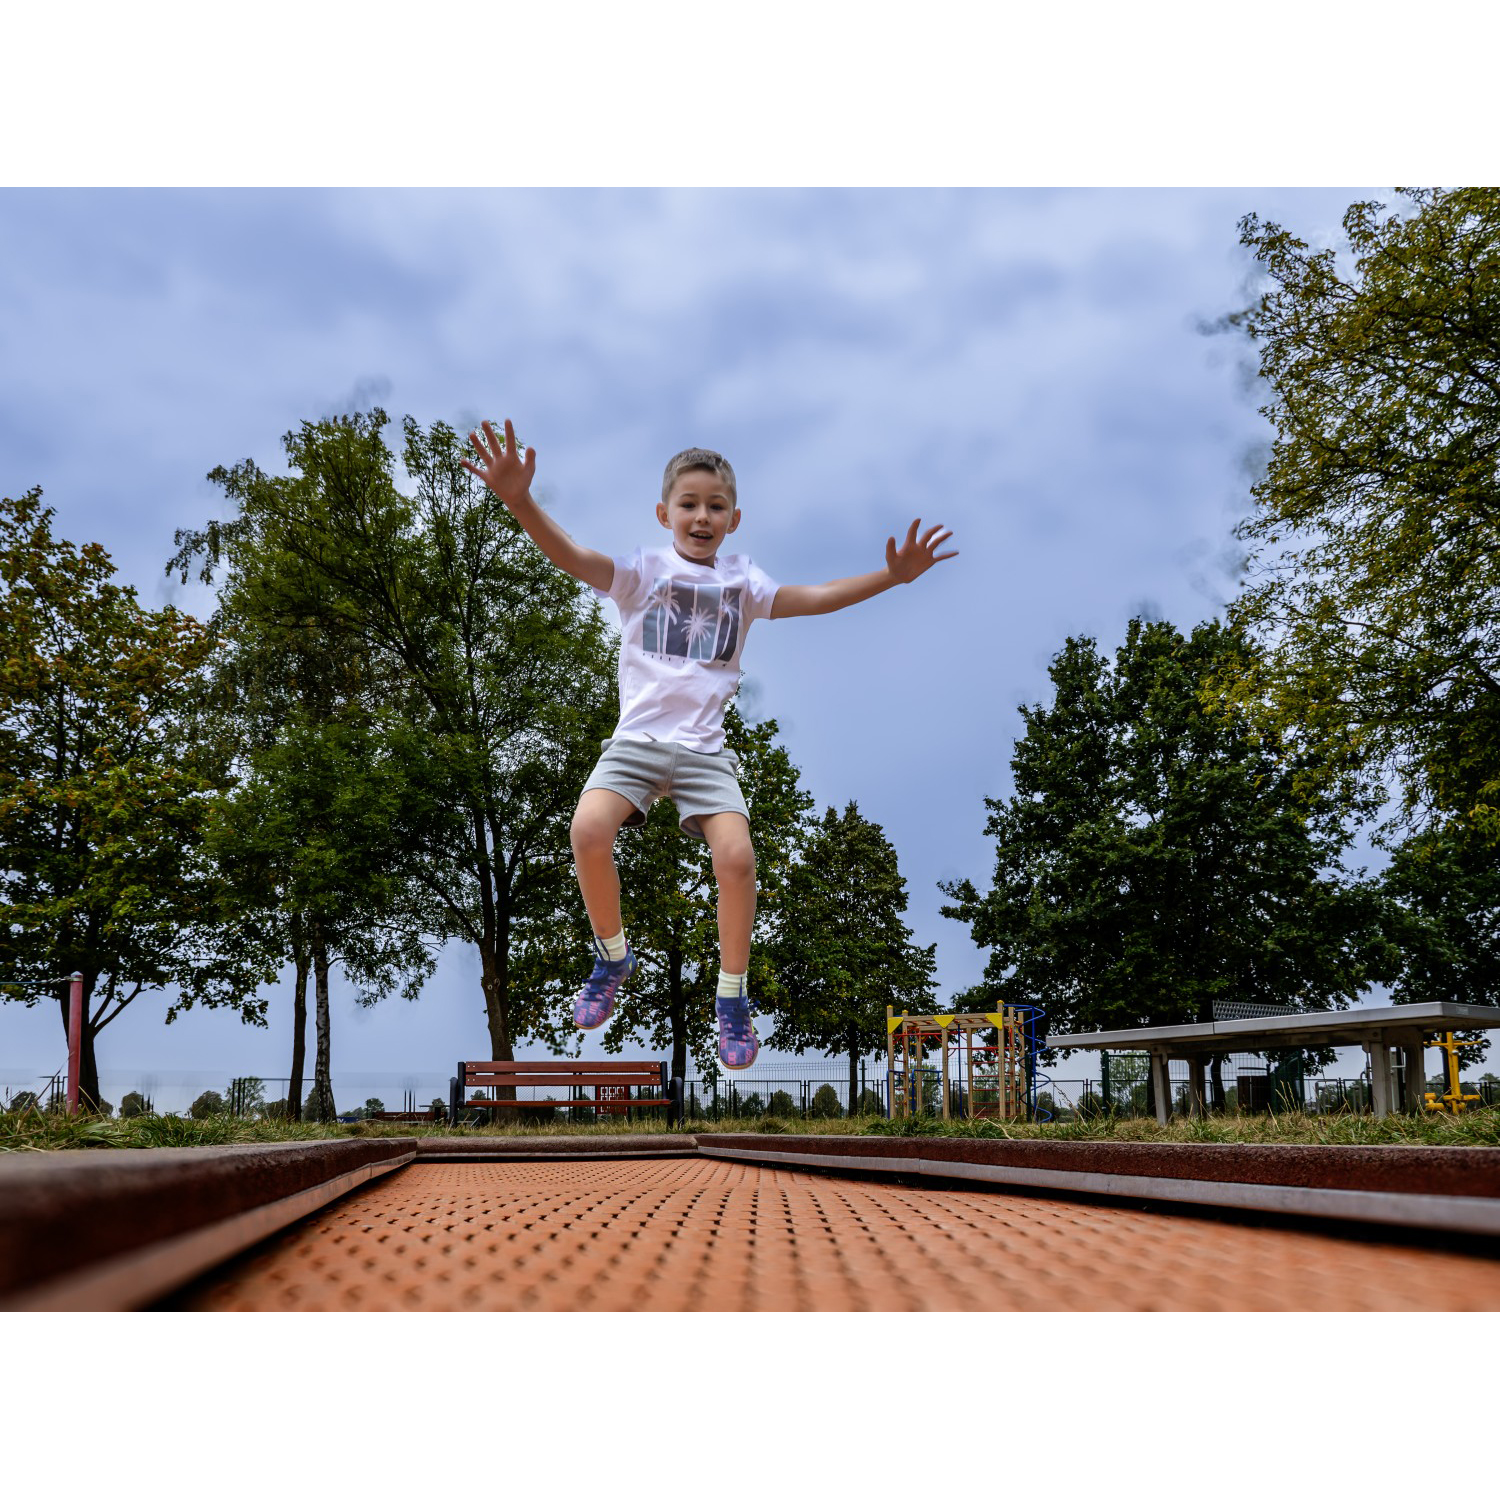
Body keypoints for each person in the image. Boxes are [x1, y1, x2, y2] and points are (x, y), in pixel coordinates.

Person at [461, 419, 956, 1070]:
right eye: (689, 504)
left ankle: (731, 997)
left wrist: (890, 577)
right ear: (663, 513)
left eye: (716, 506)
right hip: (637, 742)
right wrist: (521, 501)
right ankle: (612, 957)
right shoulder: (642, 571)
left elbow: (813, 598)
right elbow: (573, 557)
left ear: (734, 519)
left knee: (738, 858)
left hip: (704, 753)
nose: (702, 516)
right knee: (587, 830)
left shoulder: (742, 582)